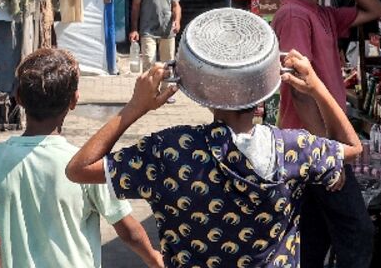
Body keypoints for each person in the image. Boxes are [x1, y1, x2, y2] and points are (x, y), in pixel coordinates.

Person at [65, 49, 363, 268]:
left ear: (205, 94)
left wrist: (135, 107)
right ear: (264, 93)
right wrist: (316, 87)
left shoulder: (170, 151)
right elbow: (351, 147)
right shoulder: (294, 148)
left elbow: (79, 169)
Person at [0, 48, 163, 268]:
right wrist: (154, 258)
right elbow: (129, 231)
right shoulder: (84, 164)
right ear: (74, 100)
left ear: (19, 98)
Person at [263, 0, 381, 268]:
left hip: (315, 143)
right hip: (313, 142)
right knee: (357, 230)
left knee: (313, 233)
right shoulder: (293, 13)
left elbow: (376, 9)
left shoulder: (321, 13)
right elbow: (298, 86)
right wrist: (326, 153)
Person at [128, 0, 180, 73]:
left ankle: (165, 86)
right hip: (148, 30)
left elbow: (176, 5)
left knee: (168, 68)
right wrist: (134, 29)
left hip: (167, 31)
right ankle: (150, 86)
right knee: (149, 66)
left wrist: (177, 21)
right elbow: (136, 6)